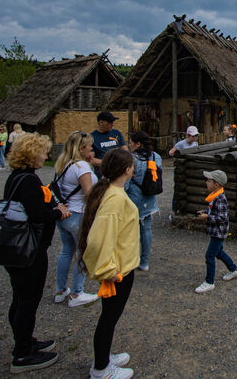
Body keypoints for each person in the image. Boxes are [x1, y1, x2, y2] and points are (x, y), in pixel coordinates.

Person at [2, 133, 71, 373]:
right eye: (43, 152)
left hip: (17, 249)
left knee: (20, 298)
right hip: (28, 250)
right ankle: (22, 355)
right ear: (32, 154)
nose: (46, 156)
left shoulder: (18, 177)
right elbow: (37, 214)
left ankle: (24, 341)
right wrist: (58, 212)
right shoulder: (28, 180)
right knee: (27, 301)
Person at [78, 149, 139, 379]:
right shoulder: (114, 199)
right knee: (109, 317)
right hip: (118, 271)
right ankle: (101, 369)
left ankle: (104, 356)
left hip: (123, 266)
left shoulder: (112, 192)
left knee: (110, 316)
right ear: (127, 170)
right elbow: (98, 239)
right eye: (132, 165)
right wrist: (108, 270)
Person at [53, 131, 100, 308]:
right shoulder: (82, 167)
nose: (92, 150)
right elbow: (88, 194)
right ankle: (77, 293)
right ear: (81, 149)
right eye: (89, 147)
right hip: (79, 214)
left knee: (66, 251)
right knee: (83, 253)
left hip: (65, 214)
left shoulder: (63, 164)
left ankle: (60, 290)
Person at [194, 169, 237, 293]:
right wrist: (205, 211)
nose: (206, 182)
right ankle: (233, 269)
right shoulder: (215, 196)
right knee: (218, 252)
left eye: (209, 180)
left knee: (210, 255)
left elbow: (221, 218)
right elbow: (214, 211)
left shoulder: (220, 199)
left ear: (216, 184)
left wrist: (207, 217)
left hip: (218, 232)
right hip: (216, 231)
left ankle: (209, 282)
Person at [125, 131, 162, 272]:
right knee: (146, 230)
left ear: (138, 144)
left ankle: (130, 259)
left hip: (134, 197)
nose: (129, 145)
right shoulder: (155, 157)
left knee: (129, 230)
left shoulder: (131, 159)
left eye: (131, 142)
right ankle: (144, 261)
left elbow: (126, 182)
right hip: (150, 197)